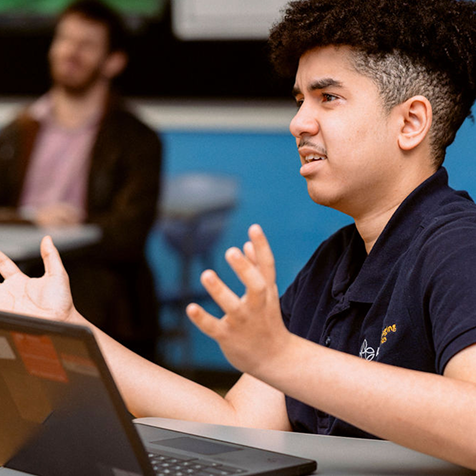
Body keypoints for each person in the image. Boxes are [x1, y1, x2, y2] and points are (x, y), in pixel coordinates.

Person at [1, 0, 476, 469]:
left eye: (328, 97)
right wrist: (74, 329)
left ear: (411, 122)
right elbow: (240, 418)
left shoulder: (457, 246)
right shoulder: (335, 262)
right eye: (299, 100)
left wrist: (285, 358)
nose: (298, 123)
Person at [0, 0, 162, 360]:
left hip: (93, 280)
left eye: (86, 44)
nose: (70, 51)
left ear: (113, 61)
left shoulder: (136, 139)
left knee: (84, 288)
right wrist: (33, 219)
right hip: (15, 269)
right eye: (64, 39)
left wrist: (77, 227)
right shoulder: (16, 131)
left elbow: (128, 234)